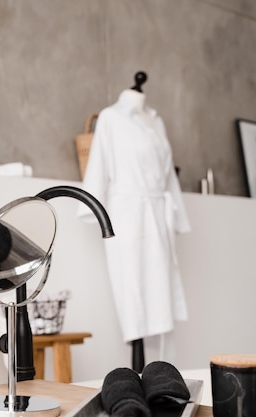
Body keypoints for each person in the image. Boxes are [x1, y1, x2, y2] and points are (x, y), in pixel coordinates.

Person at [78, 87, 190, 369]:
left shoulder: (156, 120)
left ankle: (160, 373)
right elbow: (99, 164)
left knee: (159, 289)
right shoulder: (110, 118)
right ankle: (138, 371)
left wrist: (178, 218)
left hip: (157, 212)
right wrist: (93, 208)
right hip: (127, 215)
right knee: (133, 288)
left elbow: (168, 179)